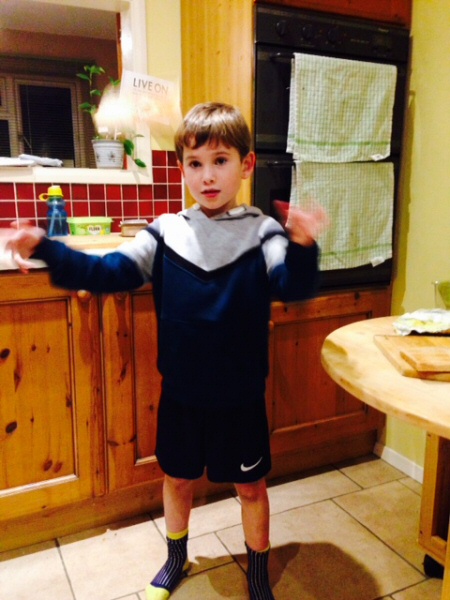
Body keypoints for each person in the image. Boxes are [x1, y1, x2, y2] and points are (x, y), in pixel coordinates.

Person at [7, 102, 326, 600]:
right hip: (181, 395)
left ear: (246, 165)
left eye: (220, 160)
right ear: (181, 168)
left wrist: (303, 246)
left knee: (250, 488)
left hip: (240, 398)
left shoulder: (263, 231)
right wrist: (47, 247)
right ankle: (176, 558)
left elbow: (293, 286)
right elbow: (107, 272)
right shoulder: (163, 232)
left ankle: (258, 570)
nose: (207, 176)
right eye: (194, 163)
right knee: (177, 480)